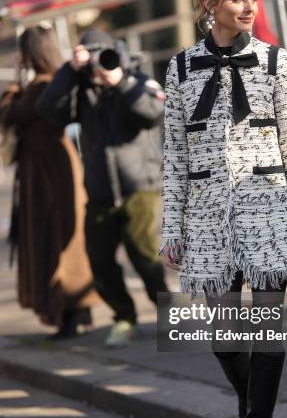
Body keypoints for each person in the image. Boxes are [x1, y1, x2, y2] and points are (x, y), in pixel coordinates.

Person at [159, 0, 287, 418]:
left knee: (267, 336)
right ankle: (251, 402)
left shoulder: (275, 61)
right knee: (227, 339)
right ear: (211, 5)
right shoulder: (180, 70)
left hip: (270, 209)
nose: (250, 7)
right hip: (206, 220)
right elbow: (174, 158)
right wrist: (172, 227)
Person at [37, 29, 170, 348]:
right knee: (99, 260)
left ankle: (169, 315)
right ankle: (124, 317)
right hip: (99, 189)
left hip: (140, 186)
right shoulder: (81, 87)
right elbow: (48, 111)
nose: (99, 63)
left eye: (103, 55)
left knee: (144, 257)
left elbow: (152, 115)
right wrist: (70, 71)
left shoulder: (135, 78)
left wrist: (119, 81)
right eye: (91, 56)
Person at [0, 24, 97, 339]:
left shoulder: (43, 86)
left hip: (45, 172)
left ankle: (67, 311)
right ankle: (72, 312)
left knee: (53, 236)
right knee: (58, 235)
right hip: (51, 167)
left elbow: (12, 114)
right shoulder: (55, 80)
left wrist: (14, 87)